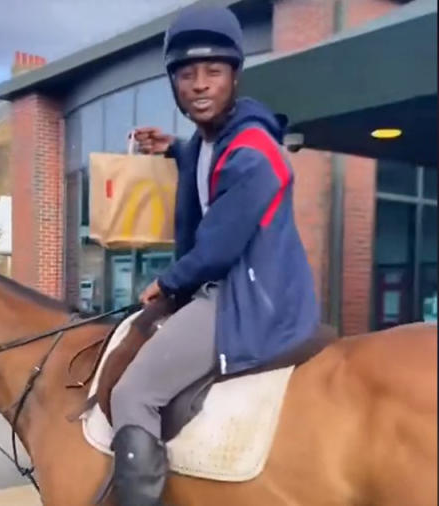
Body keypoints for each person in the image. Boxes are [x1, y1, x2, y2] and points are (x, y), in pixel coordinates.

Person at [102, 5, 319, 505]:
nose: (199, 84)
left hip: (246, 298)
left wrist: (168, 282)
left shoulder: (253, 152)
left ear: (234, 77)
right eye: (186, 73)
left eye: (213, 72)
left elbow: (219, 245)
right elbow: (205, 159)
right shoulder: (212, 141)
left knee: (132, 393)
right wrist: (172, 147)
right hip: (232, 286)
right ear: (174, 82)